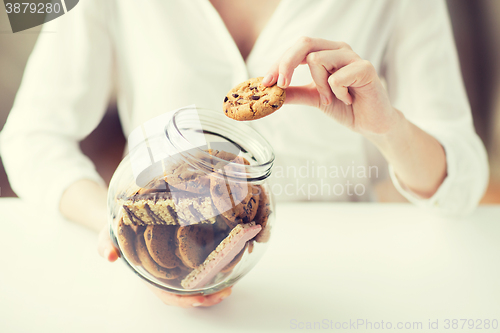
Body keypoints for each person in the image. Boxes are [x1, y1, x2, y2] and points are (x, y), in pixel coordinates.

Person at [0, 0, 488, 308]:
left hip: (344, 288)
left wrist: (387, 127)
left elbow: (464, 181)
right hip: (163, 290)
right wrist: (120, 227)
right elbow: (31, 136)